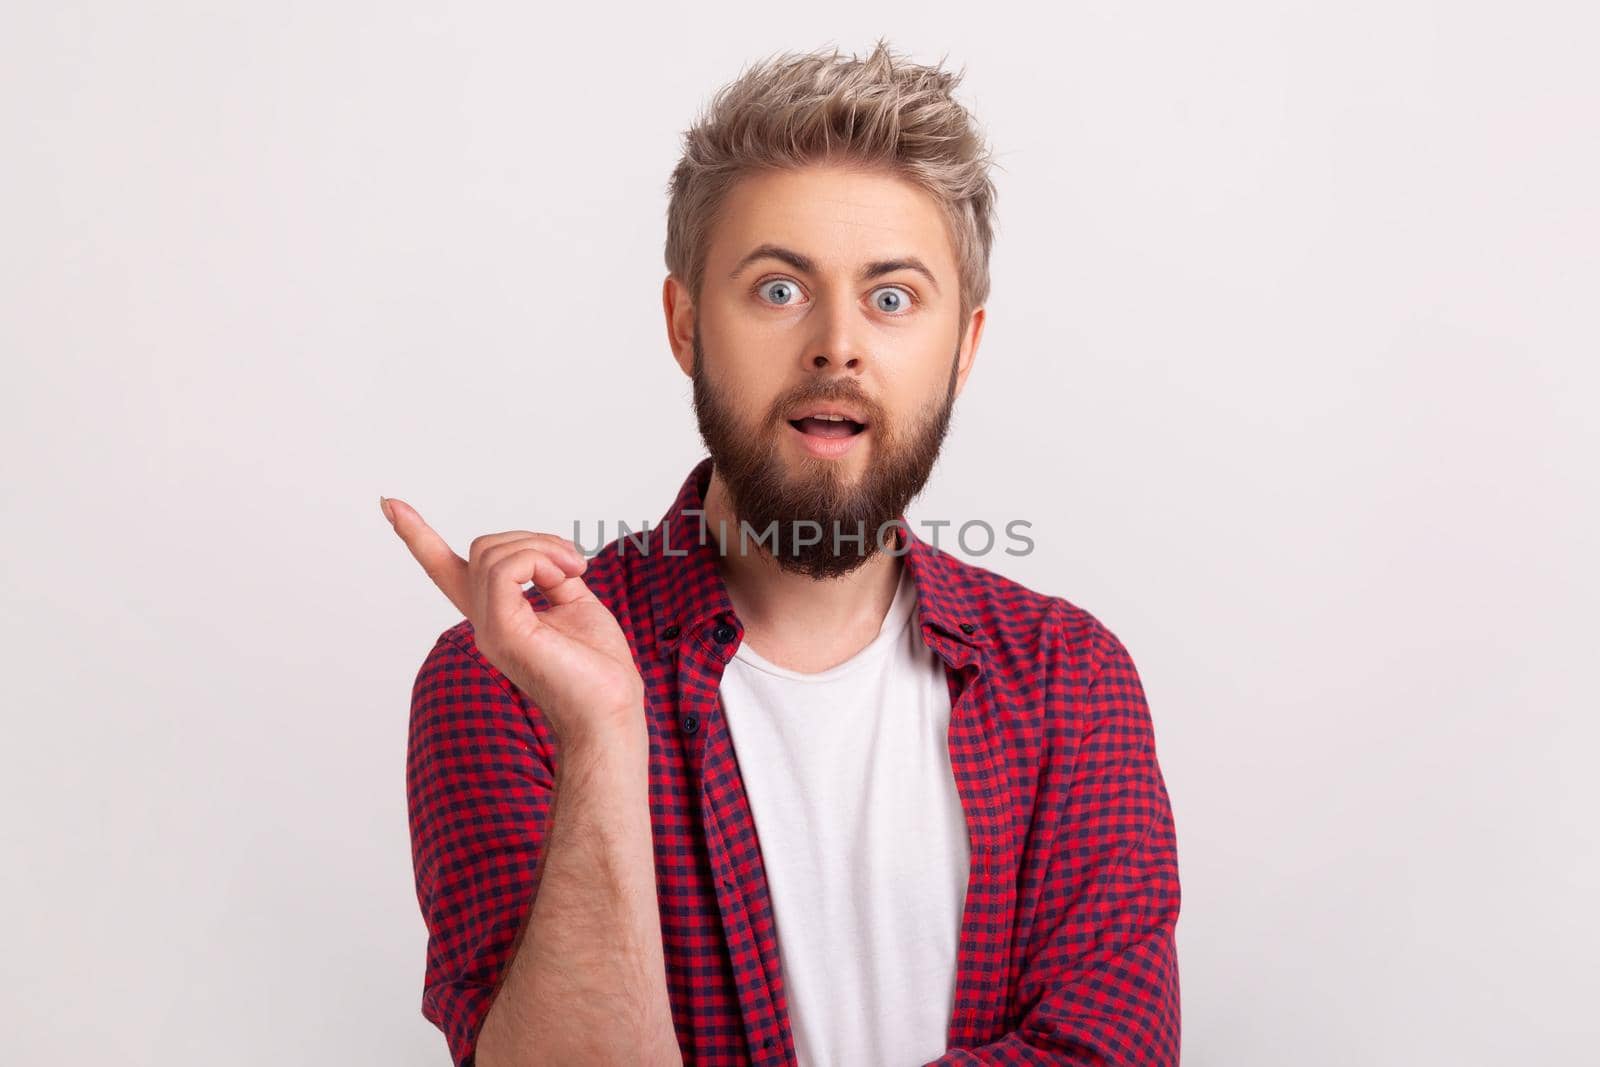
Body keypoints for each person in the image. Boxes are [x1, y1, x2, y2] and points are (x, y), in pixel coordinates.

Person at [384, 38, 1181, 1067]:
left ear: (963, 348)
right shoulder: (507, 680)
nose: (837, 345)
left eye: (891, 298)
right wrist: (601, 734)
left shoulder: (1070, 676)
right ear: (684, 324)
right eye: (776, 289)